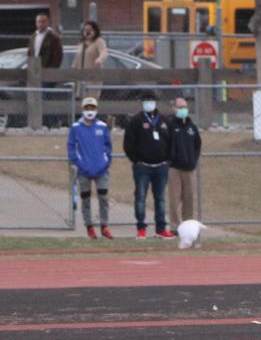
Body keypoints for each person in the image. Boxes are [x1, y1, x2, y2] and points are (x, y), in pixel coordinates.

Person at [123, 89, 174, 239]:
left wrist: (168, 160)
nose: (149, 104)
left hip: (161, 167)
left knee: (160, 198)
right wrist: (136, 160)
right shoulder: (136, 120)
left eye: (151, 101)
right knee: (140, 197)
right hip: (142, 167)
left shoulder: (164, 120)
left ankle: (161, 228)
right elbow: (128, 144)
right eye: (146, 101)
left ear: (156, 103)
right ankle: (141, 228)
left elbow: (172, 142)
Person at [68, 95, 114, 239]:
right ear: (82, 110)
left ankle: (104, 226)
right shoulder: (75, 128)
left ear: (96, 110)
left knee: (103, 199)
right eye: (87, 108)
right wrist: (79, 162)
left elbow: (108, 147)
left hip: (101, 171)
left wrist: (106, 162)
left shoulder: (102, 126)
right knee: (86, 200)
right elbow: (71, 147)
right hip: (84, 171)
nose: (90, 111)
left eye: (92, 108)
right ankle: (89, 227)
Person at [168, 94, 202, 224]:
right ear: (174, 109)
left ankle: (188, 225)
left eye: (184, 107)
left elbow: (197, 145)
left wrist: (193, 160)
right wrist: (170, 160)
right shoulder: (169, 125)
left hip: (189, 168)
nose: (183, 109)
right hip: (174, 168)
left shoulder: (192, 127)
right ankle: (175, 226)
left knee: (189, 199)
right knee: (174, 199)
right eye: (180, 107)